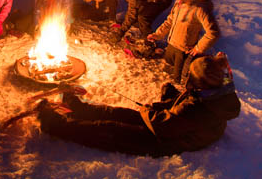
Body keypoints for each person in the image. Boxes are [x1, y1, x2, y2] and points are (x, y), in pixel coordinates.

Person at [37, 53, 241, 157]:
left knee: (109, 131)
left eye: (191, 78)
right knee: (119, 113)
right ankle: (80, 108)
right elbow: (184, 108)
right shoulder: (212, 92)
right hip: (173, 125)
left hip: (165, 141)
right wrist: (171, 98)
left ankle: (54, 125)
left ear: (200, 83)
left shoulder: (200, 108)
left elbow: (165, 126)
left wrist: (148, 110)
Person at [147, 0, 220, 84]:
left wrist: (198, 48)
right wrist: (157, 35)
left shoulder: (200, 9)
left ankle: (178, 94)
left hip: (183, 50)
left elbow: (213, 33)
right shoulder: (180, 3)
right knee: (168, 64)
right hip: (172, 43)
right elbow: (170, 21)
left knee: (178, 79)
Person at [103, 0, 172, 42]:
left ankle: (148, 41)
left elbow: (132, 13)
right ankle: (138, 30)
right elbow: (135, 8)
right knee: (137, 13)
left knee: (143, 17)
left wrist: (121, 32)